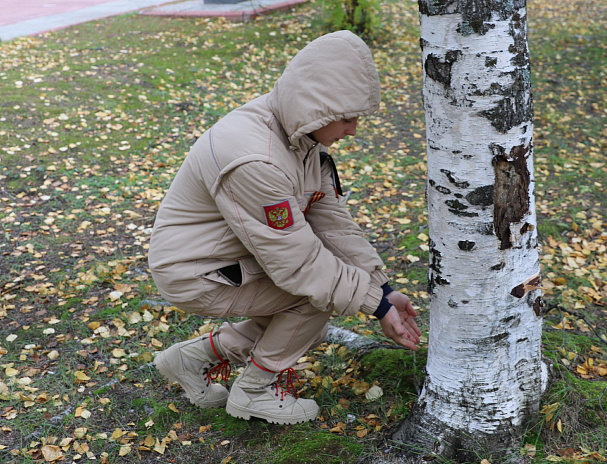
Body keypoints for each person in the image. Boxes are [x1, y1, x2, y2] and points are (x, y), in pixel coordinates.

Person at [147, 31, 421, 425]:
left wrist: (383, 288)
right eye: (347, 117)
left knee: (314, 292)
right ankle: (254, 392)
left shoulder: (300, 135)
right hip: (195, 270)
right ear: (319, 107)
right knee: (313, 297)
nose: (353, 130)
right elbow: (299, 265)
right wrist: (374, 305)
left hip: (231, 256)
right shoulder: (256, 160)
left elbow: (331, 223)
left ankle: (191, 359)